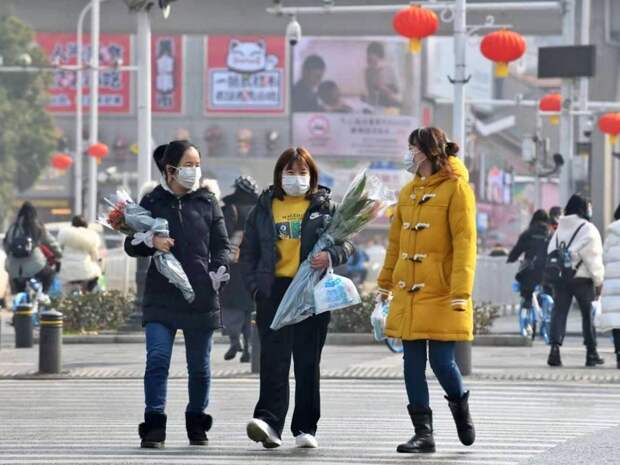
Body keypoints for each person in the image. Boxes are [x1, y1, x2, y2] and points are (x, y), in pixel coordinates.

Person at [240, 147, 354, 449]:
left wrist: (330, 255)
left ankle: (305, 427)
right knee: (273, 360)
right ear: (279, 174)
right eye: (290, 172)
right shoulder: (264, 207)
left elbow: (346, 245)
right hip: (273, 292)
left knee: (307, 362)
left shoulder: (324, 208)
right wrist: (255, 288)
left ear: (312, 176)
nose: (296, 178)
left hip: (311, 294)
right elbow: (248, 251)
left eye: (302, 172)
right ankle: (268, 423)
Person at [124, 140, 231, 449]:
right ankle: (154, 425)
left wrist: (220, 269)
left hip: (200, 295)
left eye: (197, 164)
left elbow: (222, 244)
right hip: (161, 295)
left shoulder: (208, 202)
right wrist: (151, 243)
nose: (194, 171)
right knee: (157, 359)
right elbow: (130, 244)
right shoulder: (152, 200)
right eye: (188, 165)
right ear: (170, 170)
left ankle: (196, 420)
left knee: (200, 366)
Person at [377, 127, 476, 454]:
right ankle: (423, 433)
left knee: (442, 362)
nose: (408, 153)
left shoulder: (456, 189)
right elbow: (395, 245)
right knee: (411, 361)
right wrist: (385, 282)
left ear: (428, 152)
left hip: (444, 290)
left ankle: (460, 406)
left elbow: (465, 243)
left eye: (412, 147)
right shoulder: (407, 194)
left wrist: (461, 290)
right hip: (409, 290)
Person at [546, 194, 605, 367]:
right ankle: (591, 352)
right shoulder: (588, 228)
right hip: (582, 279)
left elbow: (551, 250)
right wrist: (598, 280)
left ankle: (554, 350)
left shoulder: (560, 228)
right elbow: (593, 257)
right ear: (584, 208)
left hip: (561, 279)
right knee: (588, 315)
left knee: (559, 313)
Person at [221, 175, 260, 362]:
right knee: (249, 308)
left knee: (230, 306)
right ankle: (248, 349)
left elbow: (223, 235)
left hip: (232, 265)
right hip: (253, 265)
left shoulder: (230, 208)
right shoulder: (260, 209)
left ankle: (234, 340)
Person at [3, 202, 62, 294]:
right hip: (36, 265)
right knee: (49, 275)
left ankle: (17, 298)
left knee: (17, 287)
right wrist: (59, 254)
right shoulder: (36, 226)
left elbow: (6, 246)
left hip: (14, 267)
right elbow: (51, 243)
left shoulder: (13, 228)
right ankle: (44, 296)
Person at [507, 210, 550, 309]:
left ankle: (528, 300)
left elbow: (518, 248)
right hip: (548, 268)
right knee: (548, 286)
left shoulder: (528, 233)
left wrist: (511, 258)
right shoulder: (549, 233)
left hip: (532, 268)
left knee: (525, 280)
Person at [598, 203, 620, 369]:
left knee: (615, 320)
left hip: (613, 282)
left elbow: (604, 257)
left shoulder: (611, 233)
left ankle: (619, 353)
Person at [58, 215, 102, 293]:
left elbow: (59, 250)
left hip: (67, 271)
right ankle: (89, 293)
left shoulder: (64, 234)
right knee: (95, 276)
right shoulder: (91, 237)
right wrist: (98, 259)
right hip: (85, 271)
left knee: (66, 293)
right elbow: (95, 256)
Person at [365, 41, 401, 108]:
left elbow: (397, 93)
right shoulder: (368, 72)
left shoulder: (389, 70)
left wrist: (383, 89)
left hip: (390, 107)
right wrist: (366, 99)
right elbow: (371, 94)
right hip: (374, 107)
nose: (368, 58)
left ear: (379, 57)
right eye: (368, 56)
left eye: (371, 58)